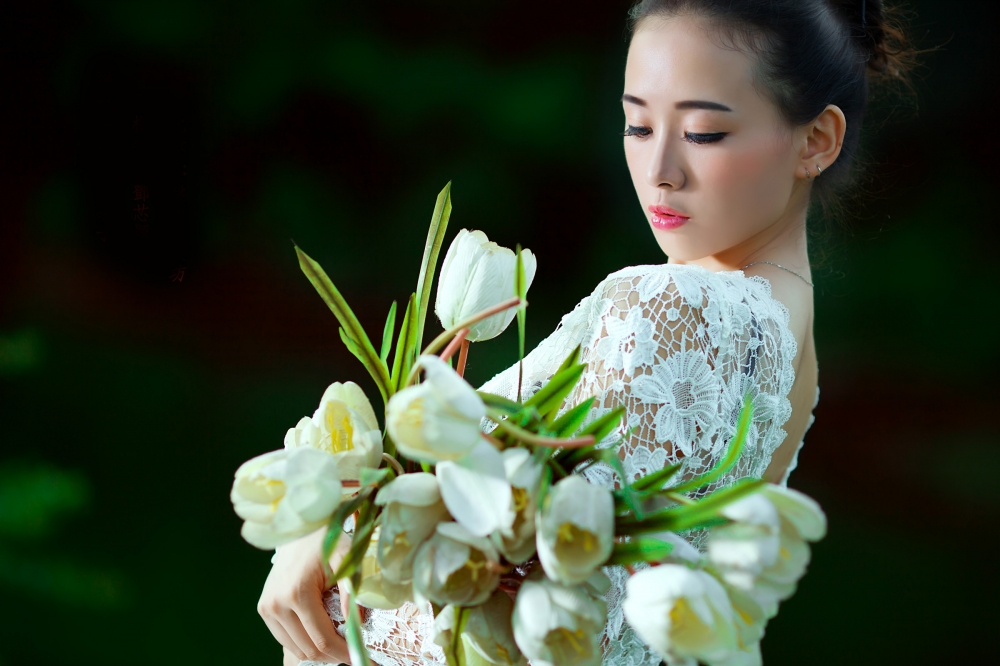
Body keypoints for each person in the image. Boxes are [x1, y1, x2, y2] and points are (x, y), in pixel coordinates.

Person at [258, 1, 913, 664]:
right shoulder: (788, 350)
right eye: (637, 124)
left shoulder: (677, 305)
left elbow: (533, 612)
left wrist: (339, 537)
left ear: (817, 140)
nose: (660, 169)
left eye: (705, 132)